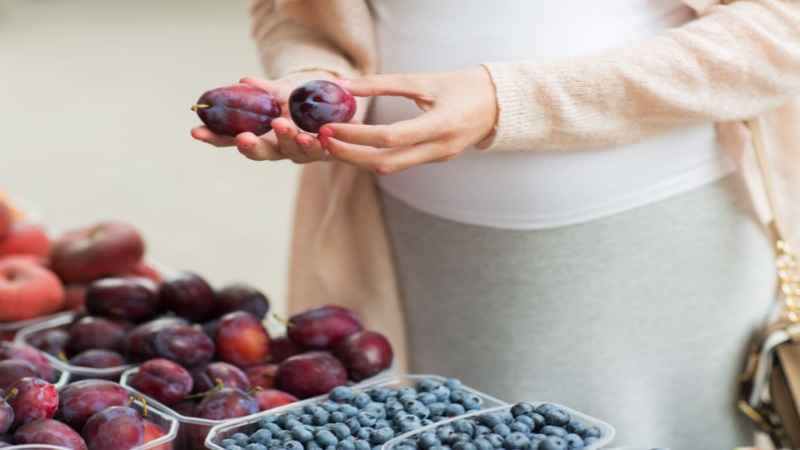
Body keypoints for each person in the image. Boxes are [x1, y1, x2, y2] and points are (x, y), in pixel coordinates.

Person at [192, 0, 800, 447]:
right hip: (409, 247)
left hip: (656, 249)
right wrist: (310, 81)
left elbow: (783, 29)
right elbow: (295, 14)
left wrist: (507, 100)